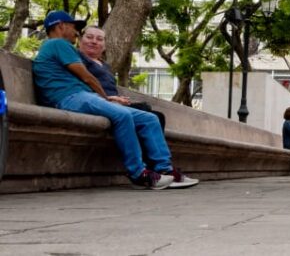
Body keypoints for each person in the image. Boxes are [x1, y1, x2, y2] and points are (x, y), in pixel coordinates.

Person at [32, 10, 198, 190]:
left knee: (149, 118)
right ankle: (139, 173)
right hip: (69, 98)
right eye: (74, 27)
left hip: (82, 96)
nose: (76, 32)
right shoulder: (57, 44)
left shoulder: (58, 46)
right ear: (60, 26)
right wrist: (106, 98)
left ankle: (165, 169)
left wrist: (106, 98)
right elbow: (87, 77)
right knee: (122, 115)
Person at [77, 26, 165, 130]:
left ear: (104, 46)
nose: (94, 41)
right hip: (98, 104)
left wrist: (120, 99)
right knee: (149, 115)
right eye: (89, 37)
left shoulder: (104, 65)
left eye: (99, 39)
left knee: (155, 114)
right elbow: (81, 86)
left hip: (115, 105)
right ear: (80, 40)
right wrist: (108, 98)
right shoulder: (77, 59)